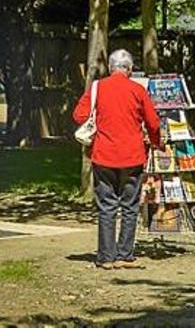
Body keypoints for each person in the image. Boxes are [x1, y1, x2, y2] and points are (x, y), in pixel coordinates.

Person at [73, 49, 161, 270]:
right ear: (130, 69)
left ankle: (105, 257)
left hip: (103, 156)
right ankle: (124, 255)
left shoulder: (97, 88)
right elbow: (153, 123)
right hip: (133, 157)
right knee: (130, 207)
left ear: (110, 68)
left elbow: (79, 116)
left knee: (107, 207)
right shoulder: (138, 90)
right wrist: (155, 142)